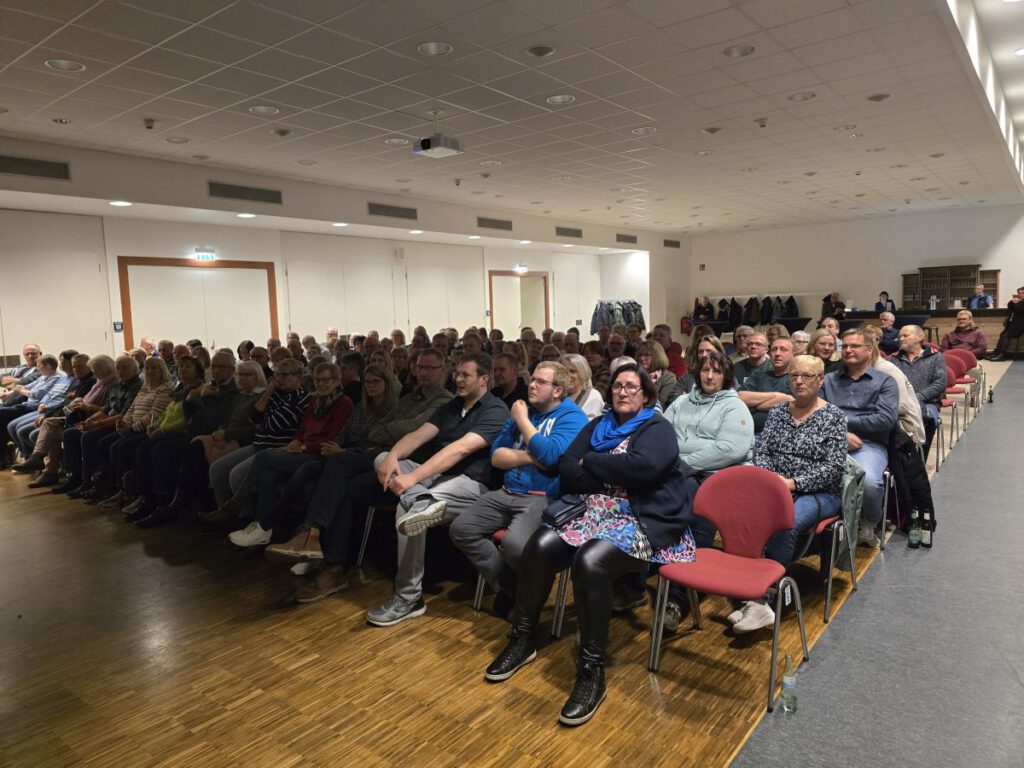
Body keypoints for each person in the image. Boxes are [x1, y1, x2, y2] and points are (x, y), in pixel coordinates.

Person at [484, 363, 698, 727]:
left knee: (590, 562)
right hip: (594, 509)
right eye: (617, 386)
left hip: (642, 517)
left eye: (632, 387)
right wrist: (608, 468)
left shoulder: (657, 427)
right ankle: (522, 638)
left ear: (646, 395)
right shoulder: (598, 424)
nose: (623, 392)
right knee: (539, 546)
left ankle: (591, 670)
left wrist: (594, 462)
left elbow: (643, 469)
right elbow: (568, 465)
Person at [367, 353, 509, 627]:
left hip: (473, 485)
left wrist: (413, 479)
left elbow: (461, 449)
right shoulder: (453, 406)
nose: (457, 379)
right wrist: (392, 456)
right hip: (438, 481)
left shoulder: (495, 410)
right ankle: (421, 499)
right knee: (381, 458)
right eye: (456, 374)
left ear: (483, 379)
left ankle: (409, 598)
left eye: (464, 375)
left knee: (406, 505)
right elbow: (418, 435)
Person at [449, 361, 588, 615]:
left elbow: (551, 457)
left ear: (558, 390)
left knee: (514, 545)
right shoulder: (526, 410)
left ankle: (526, 597)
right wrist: (530, 456)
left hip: (543, 497)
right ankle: (511, 585)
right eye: (532, 379)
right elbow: (497, 456)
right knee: (461, 528)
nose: (531, 385)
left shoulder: (571, 416)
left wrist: (523, 421)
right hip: (507, 492)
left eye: (540, 382)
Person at [739, 355, 848, 633]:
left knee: (785, 521)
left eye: (807, 376)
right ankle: (747, 585)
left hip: (820, 493)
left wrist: (793, 483)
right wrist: (772, 480)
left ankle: (761, 598)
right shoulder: (778, 412)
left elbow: (834, 468)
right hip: (776, 488)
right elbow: (761, 450)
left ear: (820, 380)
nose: (799, 381)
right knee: (743, 516)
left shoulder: (833, 417)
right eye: (794, 376)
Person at [227, 363, 354, 547]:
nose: (321, 384)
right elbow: (302, 429)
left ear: (336, 381)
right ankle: (263, 531)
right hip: (301, 450)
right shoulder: (315, 401)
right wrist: (295, 441)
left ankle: (237, 503)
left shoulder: (343, 403)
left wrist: (303, 447)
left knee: (264, 457)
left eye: (326, 380)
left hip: (318, 455)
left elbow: (332, 438)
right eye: (317, 380)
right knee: (268, 476)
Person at [823, 330, 899, 547]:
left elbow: (885, 420)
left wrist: (839, 418)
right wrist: (841, 432)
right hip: (830, 440)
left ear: (869, 350)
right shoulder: (828, 380)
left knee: (869, 482)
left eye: (854, 346)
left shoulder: (885, 382)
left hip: (869, 444)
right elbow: (816, 414)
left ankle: (869, 521)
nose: (848, 350)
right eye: (844, 346)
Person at [891, 325, 946, 461]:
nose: (901, 339)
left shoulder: (936, 357)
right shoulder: (893, 359)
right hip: (899, 404)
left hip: (928, 403)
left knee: (926, 419)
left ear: (919, 337)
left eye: (906, 335)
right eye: (900, 336)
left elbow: (939, 385)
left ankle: (920, 461)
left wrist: (915, 398)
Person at [738, 338, 795, 433]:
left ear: (793, 355)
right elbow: (740, 396)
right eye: (774, 349)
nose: (777, 354)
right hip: (748, 431)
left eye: (783, 350)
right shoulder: (759, 373)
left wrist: (756, 406)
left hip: (781, 433)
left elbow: (792, 402)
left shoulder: (796, 377)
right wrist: (776, 396)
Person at [559, 354, 605, 419]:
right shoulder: (556, 394)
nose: (567, 375)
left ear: (583, 373)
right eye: (563, 371)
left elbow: (588, 426)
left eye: (572, 371)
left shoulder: (592, 395)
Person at [636, 340, 677, 409]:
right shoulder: (634, 374)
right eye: (640, 355)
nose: (642, 358)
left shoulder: (668, 378)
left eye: (647, 355)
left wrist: (651, 383)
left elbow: (663, 404)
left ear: (657, 356)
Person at [988, 286, 1024, 361]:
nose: (1020, 294)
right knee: (1003, 335)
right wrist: (1012, 301)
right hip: (1013, 324)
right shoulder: (1019, 301)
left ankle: (1002, 355)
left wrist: (1015, 303)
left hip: (1021, 326)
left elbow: (1020, 310)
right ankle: (997, 352)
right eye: (1019, 293)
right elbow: (1010, 307)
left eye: (1022, 293)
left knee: (1007, 336)